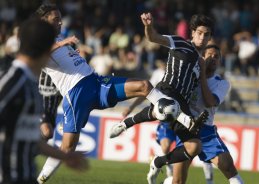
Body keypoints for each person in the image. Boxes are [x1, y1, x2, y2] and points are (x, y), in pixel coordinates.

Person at [34, 4, 199, 183]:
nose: (60, 22)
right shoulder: (40, 39)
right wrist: (63, 43)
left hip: (96, 82)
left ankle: (182, 117)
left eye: (60, 18)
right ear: (43, 21)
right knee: (67, 148)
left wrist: (70, 51)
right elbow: (37, 55)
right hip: (76, 94)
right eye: (55, 19)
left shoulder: (58, 38)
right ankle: (40, 180)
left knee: (144, 85)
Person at [110, 12, 214, 184]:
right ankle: (127, 123)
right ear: (193, 32)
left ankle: (158, 161)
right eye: (200, 33)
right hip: (167, 91)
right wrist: (148, 26)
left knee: (194, 146)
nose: (203, 37)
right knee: (169, 107)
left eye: (207, 34)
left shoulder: (201, 62)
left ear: (210, 36)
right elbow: (154, 38)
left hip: (183, 104)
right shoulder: (180, 43)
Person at [0, 18, 88, 184]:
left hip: (26, 177)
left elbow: (30, 139)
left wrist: (65, 156)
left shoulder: (31, 84)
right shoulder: (11, 82)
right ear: (49, 50)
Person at [163, 44, 244, 184]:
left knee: (229, 168)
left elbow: (209, 102)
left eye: (217, 57)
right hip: (185, 130)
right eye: (210, 55)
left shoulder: (222, 83)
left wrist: (202, 78)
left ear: (219, 61)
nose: (213, 58)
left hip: (206, 131)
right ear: (202, 58)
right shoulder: (189, 76)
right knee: (177, 181)